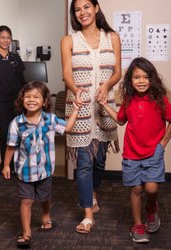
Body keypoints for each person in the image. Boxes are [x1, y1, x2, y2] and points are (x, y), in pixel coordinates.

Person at [99, 57, 171, 243]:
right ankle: (138, 224)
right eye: (136, 77)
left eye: (145, 77)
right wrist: (104, 105)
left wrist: (163, 143)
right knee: (135, 189)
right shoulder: (128, 99)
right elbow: (120, 119)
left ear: (152, 79)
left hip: (153, 153)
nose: (141, 81)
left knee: (151, 188)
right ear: (130, 80)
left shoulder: (159, 99)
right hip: (131, 154)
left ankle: (151, 207)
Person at [61, 0, 122, 234]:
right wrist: (76, 91)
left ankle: (93, 192)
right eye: (77, 9)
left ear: (96, 8)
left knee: (99, 161)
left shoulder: (112, 37)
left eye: (86, 7)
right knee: (84, 163)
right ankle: (87, 213)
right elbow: (67, 73)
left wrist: (107, 85)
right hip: (80, 108)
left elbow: (118, 72)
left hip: (105, 107)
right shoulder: (69, 41)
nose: (82, 12)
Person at [2, 81, 82, 248]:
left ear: (45, 101)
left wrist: (75, 109)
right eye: (28, 96)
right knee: (26, 201)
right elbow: (11, 146)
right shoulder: (16, 123)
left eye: (36, 97)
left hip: (45, 170)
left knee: (44, 196)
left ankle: (46, 214)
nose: (32, 100)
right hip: (25, 171)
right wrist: (6, 165)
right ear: (22, 99)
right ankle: (26, 233)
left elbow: (67, 128)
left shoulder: (50, 120)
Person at [0, 25, 26, 175]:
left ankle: (14, 165)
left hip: (16, 102)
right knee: (5, 132)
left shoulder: (15, 58)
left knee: (17, 132)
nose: (6, 41)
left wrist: (27, 100)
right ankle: (5, 165)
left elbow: (23, 82)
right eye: (3, 37)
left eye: (8, 38)